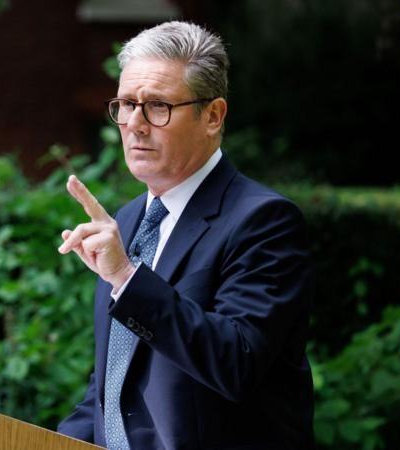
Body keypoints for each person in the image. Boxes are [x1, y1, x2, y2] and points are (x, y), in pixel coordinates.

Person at [56, 21, 314, 450]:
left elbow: (237, 363)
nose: (135, 124)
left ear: (212, 116)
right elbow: (114, 387)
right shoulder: (130, 219)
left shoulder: (264, 221)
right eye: (125, 104)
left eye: (157, 106)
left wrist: (126, 278)